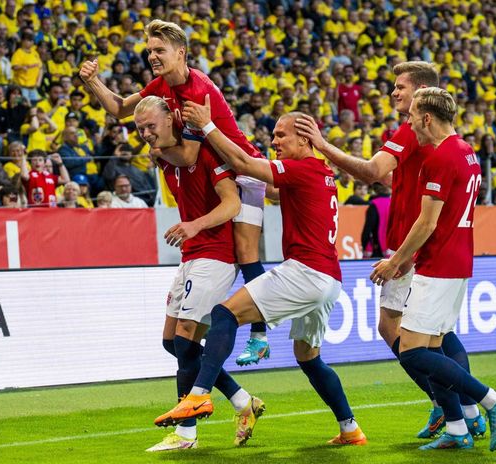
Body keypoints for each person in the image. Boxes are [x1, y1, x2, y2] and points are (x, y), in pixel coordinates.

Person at [295, 61, 485, 438]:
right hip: (421, 247)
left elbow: (370, 171)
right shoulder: (435, 138)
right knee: (438, 334)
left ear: (421, 94)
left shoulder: (413, 130)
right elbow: (392, 175)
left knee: (412, 332)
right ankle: (461, 409)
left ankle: (455, 409)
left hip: (415, 247)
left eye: (401, 87)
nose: (394, 93)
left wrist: (321, 145)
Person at [159, 99, 366, 446]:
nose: (274, 142)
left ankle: (198, 394)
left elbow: (244, 162)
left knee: (224, 314)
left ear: (305, 140)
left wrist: (209, 127)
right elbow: (266, 188)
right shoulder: (320, 173)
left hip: (305, 271)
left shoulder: (303, 169)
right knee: (309, 358)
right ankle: (350, 429)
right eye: (273, 136)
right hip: (329, 278)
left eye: (281, 136)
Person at [79, 19, 271, 365]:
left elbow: (187, 156)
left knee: (246, 250)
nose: (152, 56)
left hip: (246, 169)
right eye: (149, 50)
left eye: (159, 50)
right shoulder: (162, 84)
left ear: (181, 53)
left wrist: (156, 151)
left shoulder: (198, 90)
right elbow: (121, 109)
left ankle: (259, 334)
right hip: (226, 166)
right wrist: (93, 81)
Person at [369, 88, 496, 452]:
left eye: (412, 115)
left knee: (414, 353)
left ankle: (494, 401)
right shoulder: (467, 152)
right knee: (434, 350)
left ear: (427, 118)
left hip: (438, 266)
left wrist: (396, 261)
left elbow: (426, 223)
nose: (410, 123)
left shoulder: (439, 158)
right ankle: (456, 429)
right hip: (458, 262)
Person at [134, 96, 263, 452]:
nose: (145, 134)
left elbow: (232, 203)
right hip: (192, 254)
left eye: (151, 126)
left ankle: (186, 433)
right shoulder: (166, 159)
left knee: (187, 340)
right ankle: (242, 401)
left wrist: (195, 225)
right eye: (140, 129)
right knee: (171, 342)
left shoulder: (207, 152)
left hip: (216, 254)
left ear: (172, 120)